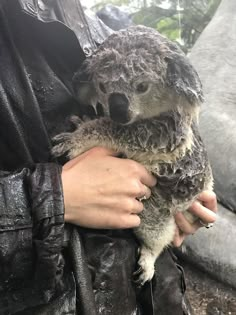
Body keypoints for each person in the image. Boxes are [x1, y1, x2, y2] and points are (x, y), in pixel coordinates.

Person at [0, 1, 217, 314]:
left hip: (152, 292)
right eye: (102, 88)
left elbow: (175, 133)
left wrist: (186, 191)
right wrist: (50, 200)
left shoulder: (103, 28)